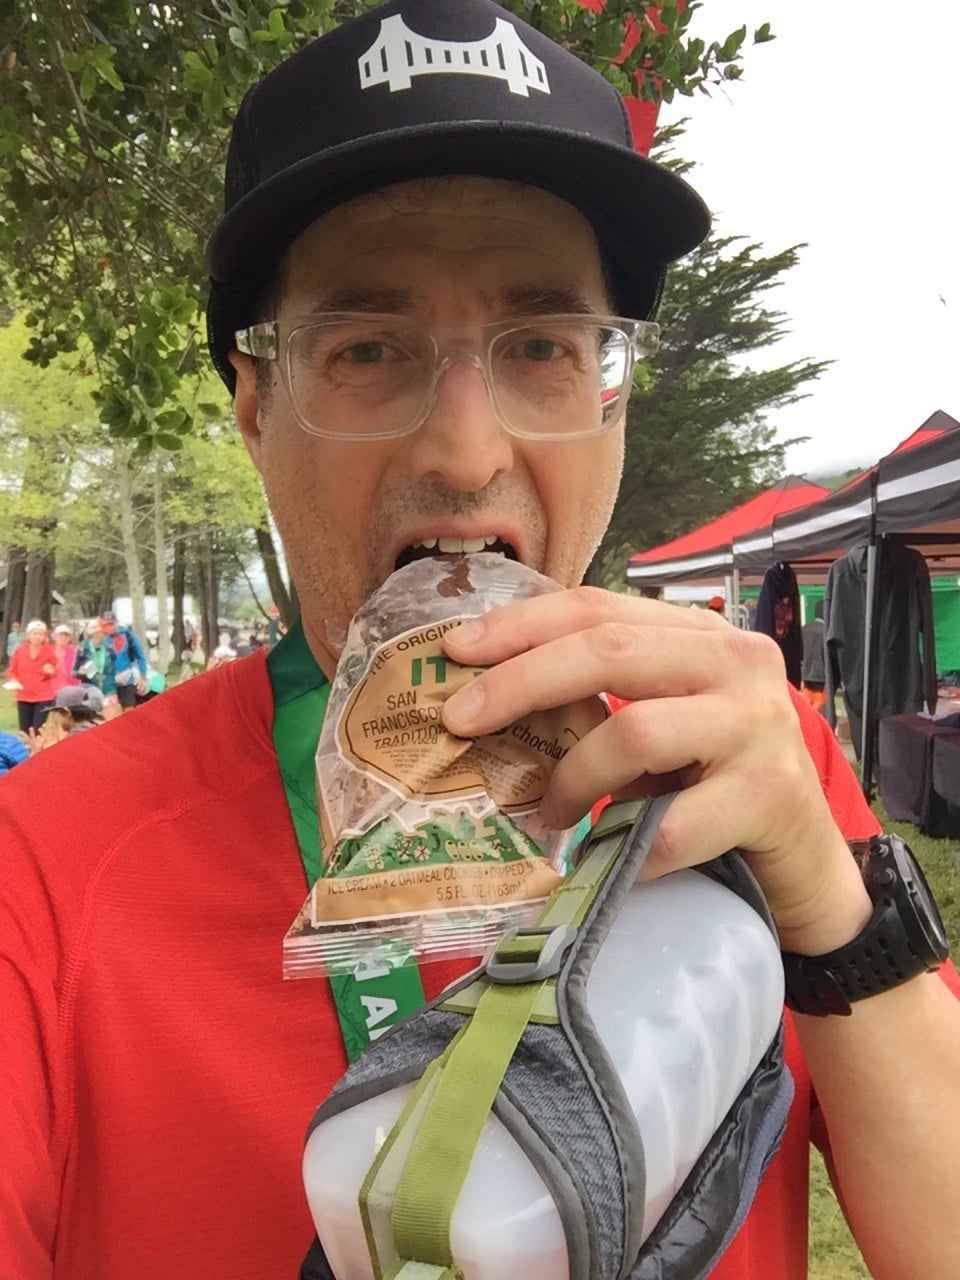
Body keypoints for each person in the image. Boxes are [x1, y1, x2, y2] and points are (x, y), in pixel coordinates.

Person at [1, 3, 959, 1279]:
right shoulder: (48, 869)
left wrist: (841, 920)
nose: (464, 449)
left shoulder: (746, 776)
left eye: (545, 348)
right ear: (253, 405)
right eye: (366, 349)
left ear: (612, 399)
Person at [4, 618, 56, 735]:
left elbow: (55, 670)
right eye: (35, 633)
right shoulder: (20, 651)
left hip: (43, 696)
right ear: (28, 635)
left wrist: (50, 671)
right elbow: (12, 669)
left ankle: (37, 752)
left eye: (41, 633)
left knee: (38, 730)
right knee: (24, 731)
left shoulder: (49, 651)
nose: (38, 636)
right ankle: (24, 752)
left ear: (44, 636)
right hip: (23, 696)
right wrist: (13, 679)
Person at [100, 610, 148, 709]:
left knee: (129, 711)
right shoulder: (101, 638)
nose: (111, 627)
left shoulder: (127, 634)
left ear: (116, 622)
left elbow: (140, 655)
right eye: (107, 625)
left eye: (112, 624)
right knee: (111, 712)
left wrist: (143, 676)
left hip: (127, 680)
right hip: (109, 683)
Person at [72, 617, 117, 699]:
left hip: (109, 690)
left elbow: (116, 670)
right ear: (90, 634)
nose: (98, 635)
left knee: (110, 711)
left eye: (100, 633)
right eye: (95, 633)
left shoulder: (110, 649)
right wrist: (80, 673)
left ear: (104, 634)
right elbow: (73, 672)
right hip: (90, 690)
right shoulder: (83, 649)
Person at [49, 624, 78, 697]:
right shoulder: (48, 651)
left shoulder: (74, 652)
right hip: (50, 690)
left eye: (66, 635)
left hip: (69, 690)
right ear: (54, 636)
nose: (63, 637)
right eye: (61, 635)